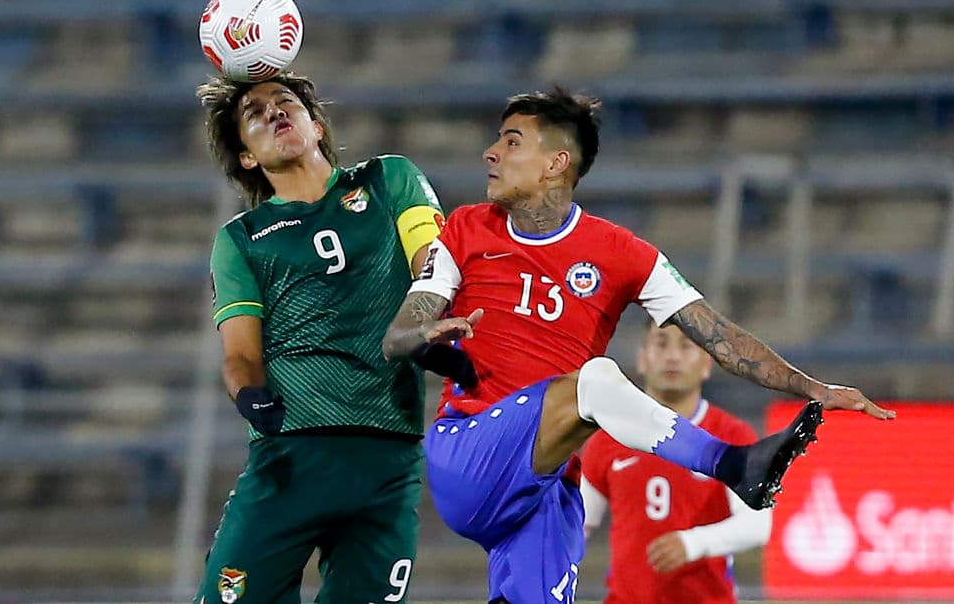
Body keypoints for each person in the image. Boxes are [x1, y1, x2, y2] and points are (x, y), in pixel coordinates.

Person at [382, 87, 894, 604]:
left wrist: (813, 387)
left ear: (557, 163)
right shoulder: (465, 231)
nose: (491, 153)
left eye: (511, 142)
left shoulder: (622, 254)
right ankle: (733, 465)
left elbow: (717, 335)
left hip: (543, 487)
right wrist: (423, 334)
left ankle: (736, 466)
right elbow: (396, 338)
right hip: (469, 451)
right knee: (597, 380)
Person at [194, 72, 450, 604]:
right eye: (254, 114)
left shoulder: (389, 181)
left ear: (317, 124)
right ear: (246, 157)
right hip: (293, 453)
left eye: (285, 102)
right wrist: (249, 394)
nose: (274, 113)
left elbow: (433, 265)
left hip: (389, 458)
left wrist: (427, 320)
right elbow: (240, 354)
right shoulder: (241, 240)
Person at [580, 319, 771, 604]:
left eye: (686, 346)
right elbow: (579, 522)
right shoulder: (608, 437)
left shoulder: (731, 435)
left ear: (706, 364)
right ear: (642, 358)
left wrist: (692, 543)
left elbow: (757, 525)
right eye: (660, 343)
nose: (672, 356)